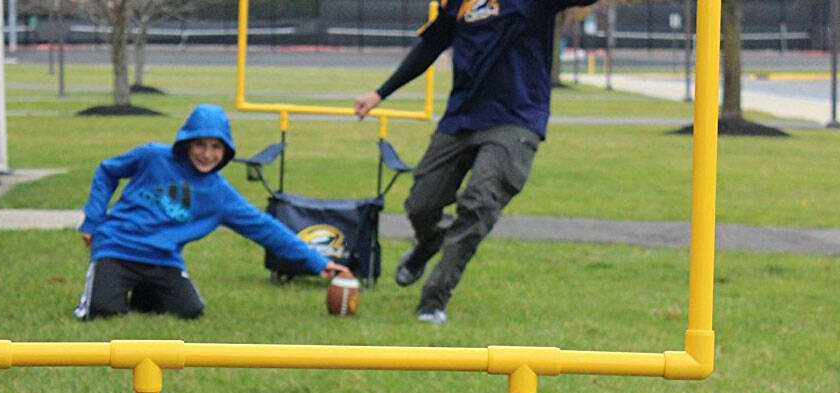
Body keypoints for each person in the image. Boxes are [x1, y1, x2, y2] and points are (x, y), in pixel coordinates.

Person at [355, 0, 596, 324]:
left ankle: (433, 300)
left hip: (515, 120)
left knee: (479, 202)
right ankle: (429, 244)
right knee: (421, 206)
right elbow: (430, 46)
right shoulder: (458, 3)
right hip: (461, 119)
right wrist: (380, 93)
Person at [75, 104, 352, 320]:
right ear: (186, 142)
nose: (207, 154)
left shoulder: (220, 196)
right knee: (101, 311)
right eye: (200, 144)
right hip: (117, 248)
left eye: (216, 147)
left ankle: (145, 293)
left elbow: (265, 229)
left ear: (226, 150)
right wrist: (93, 220)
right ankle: (115, 289)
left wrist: (317, 261)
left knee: (190, 311)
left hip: (163, 259)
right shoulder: (153, 156)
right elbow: (106, 171)